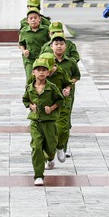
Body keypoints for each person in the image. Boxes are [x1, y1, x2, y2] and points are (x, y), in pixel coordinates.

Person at [24, 58, 64, 186]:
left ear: (48, 73)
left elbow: (60, 100)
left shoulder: (52, 88)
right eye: (38, 70)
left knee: (51, 146)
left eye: (44, 70)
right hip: (35, 122)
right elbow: (25, 100)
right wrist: (31, 106)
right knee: (36, 147)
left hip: (49, 122)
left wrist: (51, 108)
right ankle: (38, 175)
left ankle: (50, 157)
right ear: (33, 73)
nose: (41, 73)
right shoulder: (30, 88)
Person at [48, 33, 80, 161]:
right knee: (49, 127)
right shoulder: (47, 61)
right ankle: (49, 156)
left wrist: (68, 86)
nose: (59, 46)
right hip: (49, 98)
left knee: (63, 126)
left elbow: (76, 76)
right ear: (51, 46)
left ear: (66, 46)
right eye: (56, 44)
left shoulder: (71, 62)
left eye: (61, 44)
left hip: (65, 97)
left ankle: (61, 147)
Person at [18, 1, 51, 79]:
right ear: (27, 20)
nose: (33, 20)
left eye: (35, 18)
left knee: (43, 78)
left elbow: (52, 42)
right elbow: (21, 43)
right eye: (31, 18)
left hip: (43, 58)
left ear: (40, 19)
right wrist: (24, 51)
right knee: (30, 78)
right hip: (30, 59)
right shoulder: (24, 31)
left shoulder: (46, 29)